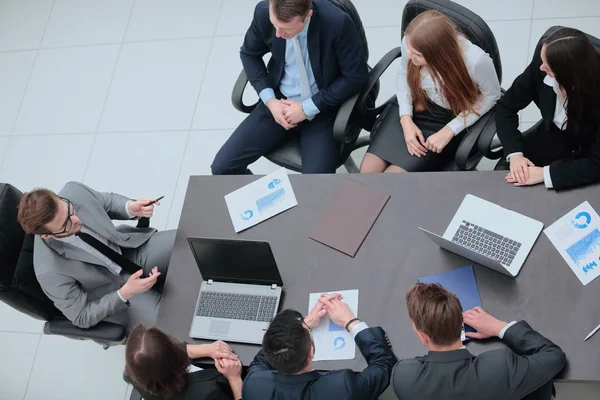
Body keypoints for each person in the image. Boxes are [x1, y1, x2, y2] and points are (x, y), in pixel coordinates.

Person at [211, 0, 368, 175]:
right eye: (274, 24)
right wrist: (270, 101)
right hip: (279, 101)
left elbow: (355, 77)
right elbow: (249, 54)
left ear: (307, 16)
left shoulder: (337, 23)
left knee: (317, 186)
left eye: (286, 29)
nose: (277, 34)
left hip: (322, 107)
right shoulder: (263, 11)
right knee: (222, 168)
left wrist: (306, 108)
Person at [17, 181, 175, 330]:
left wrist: (130, 207)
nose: (76, 220)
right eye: (66, 225)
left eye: (69, 210)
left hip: (130, 250)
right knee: (173, 326)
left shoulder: (74, 191)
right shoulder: (49, 271)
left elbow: (107, 202)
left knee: (190, 240)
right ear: (47, 235)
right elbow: (81, 316)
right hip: (117, 290)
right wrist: (125, 293)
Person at [360, 10, 500, 173]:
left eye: (417, 55)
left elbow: (491, 97)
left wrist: (449, 130)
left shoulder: (475, 61)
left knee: (394, 178)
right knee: (368, 171)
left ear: (438, 54)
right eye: (409, 50)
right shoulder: (410, 43)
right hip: (414, 103)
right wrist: (406, 120)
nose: (410, 57)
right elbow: (403, 76)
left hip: (449, 116)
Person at [392, 283, 566, 400]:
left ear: (423, 336)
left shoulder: (404, 378)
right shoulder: (499, 368)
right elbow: (554, 356)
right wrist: (500, 327)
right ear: (461, 322)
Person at [496, 27, 600, 190]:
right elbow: (505, 107)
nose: (541, 68)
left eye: (549, 67)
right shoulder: (542, 63)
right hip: (549, 140)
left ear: (570, 74)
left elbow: (597, 164)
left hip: (586, 155)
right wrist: (515, 154)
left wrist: (546, 174)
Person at [242, 293, 397, 400]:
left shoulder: (254, 384)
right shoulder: (341, 388)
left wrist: (306, 324)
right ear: (311, 352)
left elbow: (262, 359)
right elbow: (385, 366)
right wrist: (351, 322)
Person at [125, 325, 243, 400]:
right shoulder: (210, 393)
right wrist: (234, 379)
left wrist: (206, 349)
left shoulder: (135, 373)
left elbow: (159, 357)